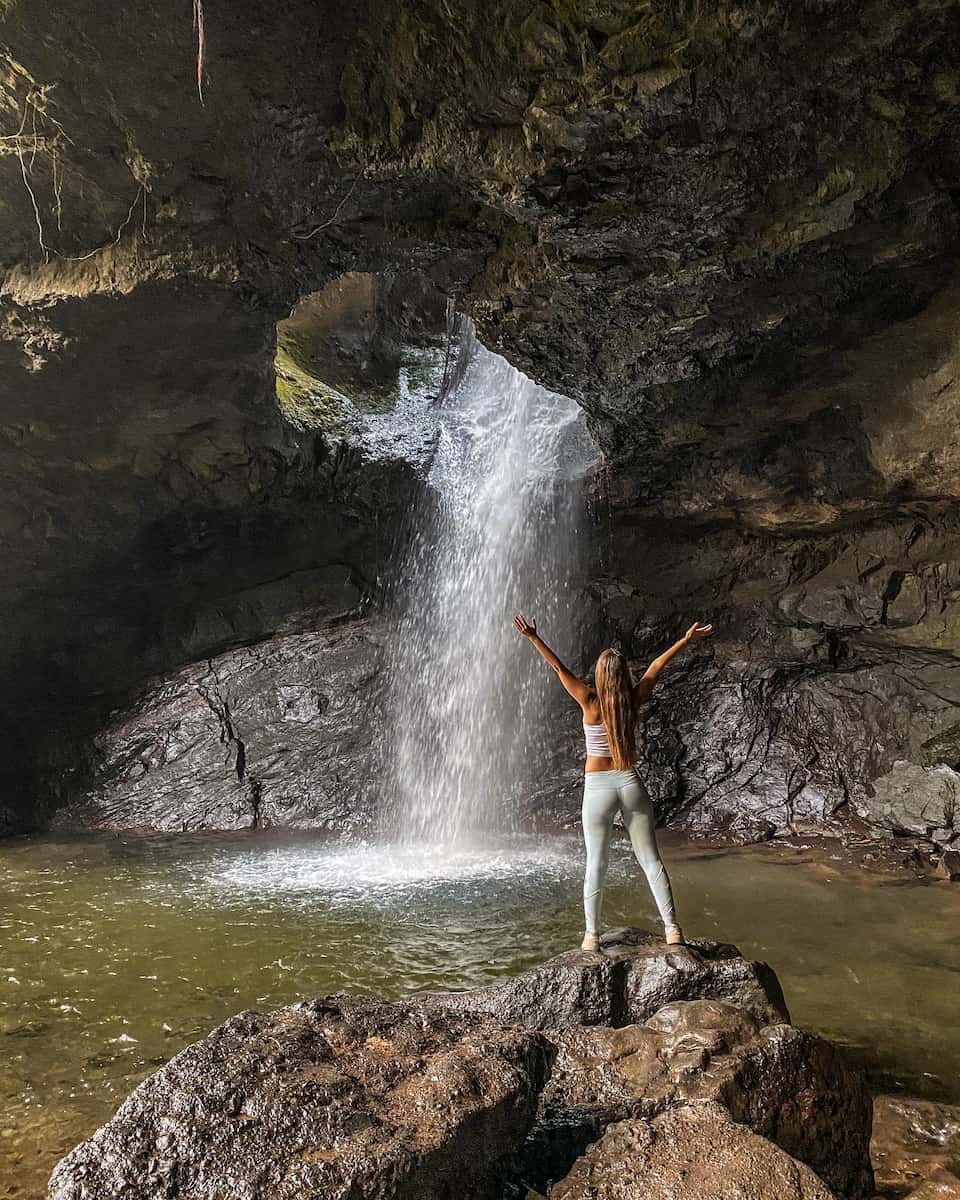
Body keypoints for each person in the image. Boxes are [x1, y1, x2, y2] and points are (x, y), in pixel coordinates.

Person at [513, 614, 713, 952]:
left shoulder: (589, 702)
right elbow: (655, 667)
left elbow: (559, 668)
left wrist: (534, 638)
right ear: (623, 676)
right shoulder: (633, 700)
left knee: (596, 863)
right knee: (651, 861)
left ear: (600, 676)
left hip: (598, 789)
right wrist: (685, 639)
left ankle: (591, 936)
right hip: (630, 783)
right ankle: (672, 929)